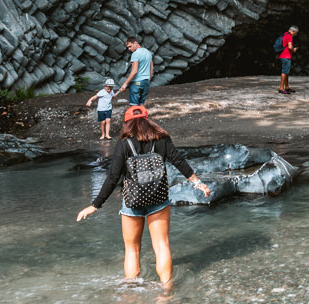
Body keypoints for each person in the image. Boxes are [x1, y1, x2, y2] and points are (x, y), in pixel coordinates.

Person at [76, 105, 211, 287]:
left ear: (126, 123)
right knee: (162, 245)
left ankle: (132, 291)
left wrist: (95, 205)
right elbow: (179, 161)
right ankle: (166, 290)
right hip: (158, 199)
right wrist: (198, 183)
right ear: (147, 120)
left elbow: (113, 177)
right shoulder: (162, 139)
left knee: (132, 249)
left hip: (132, 201)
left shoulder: (124, 143)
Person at [119, 39, 153, 104]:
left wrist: (125, 83)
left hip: (137, 83)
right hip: (146, 82)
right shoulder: (148, 52)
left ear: (135, 43)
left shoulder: (135, 54)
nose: (129, 49)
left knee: (134, 105)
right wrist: (148, 80)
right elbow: (151, 68)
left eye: (130, 46)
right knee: (141, 105)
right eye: (128, 47)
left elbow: (134, 71)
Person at [277, 25, 298, 94]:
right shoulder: (289, 36)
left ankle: (287, 87)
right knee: (284, 72)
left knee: (286, 72)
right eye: (296, 33)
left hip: (282, 55)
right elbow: (290, 47)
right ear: (293, 31)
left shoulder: (285, 34)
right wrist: (294, 50)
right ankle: (281, 88)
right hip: (286, 56)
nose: (295, 35)